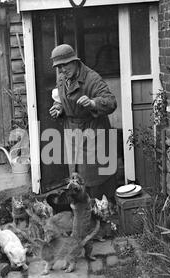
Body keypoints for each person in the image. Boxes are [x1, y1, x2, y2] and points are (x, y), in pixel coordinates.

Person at [49, 44, 118, 201]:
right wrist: (58, 108)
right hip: (72, 132)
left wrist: (93, 103)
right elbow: (61, 100)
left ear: (75, 61)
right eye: (59, 67)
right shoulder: (62, 79)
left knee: (95, 175)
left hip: (93, 130)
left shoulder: (92, 78)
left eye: (65, 64)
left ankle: (101, 210)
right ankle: (81, 212)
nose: (62, 70)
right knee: (76, 173)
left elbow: (111, 102)